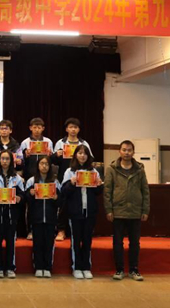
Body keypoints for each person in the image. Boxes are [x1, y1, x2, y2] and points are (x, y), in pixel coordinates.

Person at [104, 140, 150, 282]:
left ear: (133, 152)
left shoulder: (139, 169)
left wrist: (145, 210)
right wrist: (108, 209)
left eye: (129, 150)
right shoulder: (112, 169)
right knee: (117, 242)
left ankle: (134, 270)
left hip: (135, 211)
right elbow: (107, 191)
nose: (127, 153)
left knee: (135, 243)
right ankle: (119, 269)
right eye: (124, 150)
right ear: (119, 151)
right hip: (118, 211)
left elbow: (145, 191)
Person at [62, 145, 103, 279]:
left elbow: (98, 192)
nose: (82, 156)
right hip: (75, 212)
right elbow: (64, 191)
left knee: (87, 240)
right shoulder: (69, 171)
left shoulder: (94, 171)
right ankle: (76, 267)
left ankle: (86, 267)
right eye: (80, 153)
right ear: (75, 155)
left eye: (85, 154)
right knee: (76, 240)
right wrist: (72, 183)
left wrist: (99, 185)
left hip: (89, 211)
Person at [52, 117, 93, 241]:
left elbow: (91, 159)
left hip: (82, 179)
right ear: (66, 129)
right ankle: (61, 230)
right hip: (64, 177)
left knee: (78, 204)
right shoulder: (60, 143)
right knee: (63, 204)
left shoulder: (84, 143)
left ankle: (78, 231)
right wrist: (57, 155)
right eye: (71, 127)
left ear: (79, 129)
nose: (73, 129)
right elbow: (53, 161)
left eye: (75, 127)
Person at [0, 149, 24, 278]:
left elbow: (22, 195)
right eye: (2, 158)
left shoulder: (17, 178)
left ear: (11, 161)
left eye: (7, 159)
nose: (5, 161)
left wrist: (19, 198)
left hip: (11, 216)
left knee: (10, 243)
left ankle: (10, 267)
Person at [25, 156, 60, 278]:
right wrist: (30, 194)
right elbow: (25, 199)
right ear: (37, 165)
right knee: (37, 243)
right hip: (36, 218)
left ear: (50, 166)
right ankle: (38, 267)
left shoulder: (55, 181)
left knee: (49, 244)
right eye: (41, 163)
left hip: (50, 218)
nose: (44, 166)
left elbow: (60, 201)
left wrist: (56, 198)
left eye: (46, 164)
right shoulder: (31, 181)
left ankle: (47, 267)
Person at [20, 118, 53, 240]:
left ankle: (48, 229)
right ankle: (30, 230)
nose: (37, 130)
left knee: (45, 204)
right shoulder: (25, 142)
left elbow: (51, 160)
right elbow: (21, 161)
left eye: (39, 127)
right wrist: (26, 155)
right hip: (30, 176)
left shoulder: (48, 142)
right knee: (31, 205)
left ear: (43, 128)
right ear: (30, 128)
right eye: (34, 127)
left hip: (45, 176)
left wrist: (50, 155)